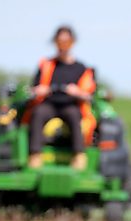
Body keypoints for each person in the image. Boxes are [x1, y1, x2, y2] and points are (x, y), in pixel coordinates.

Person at [26, 26, 96, 169]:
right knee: (38, 113)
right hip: (49, 103)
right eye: (60, 41)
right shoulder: (47, 65)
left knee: (74, 115)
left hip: (69, 104)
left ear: (72, 42)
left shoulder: (81, 68)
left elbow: (89, 95)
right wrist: (41, 90)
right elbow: (33, 89)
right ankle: (35, 155)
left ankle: (78, 155)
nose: (63, 45)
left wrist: (77, 92)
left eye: (66, 41)